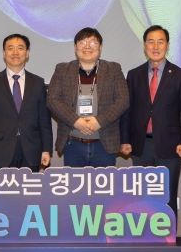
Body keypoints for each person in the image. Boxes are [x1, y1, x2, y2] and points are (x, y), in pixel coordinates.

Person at [120, 25, 181, 217]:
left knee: (167, 194)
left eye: (160, 42)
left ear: (167, 45)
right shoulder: (134, 75)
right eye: (151, 42)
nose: (155, 46)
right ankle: (144, 232)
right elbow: (127, 110)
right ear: (144, 46)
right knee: (142, 194)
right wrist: (125, 139)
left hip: (170, 145)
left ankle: (167, 233)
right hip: (141, 144)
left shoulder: (180, 76)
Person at [47, 27, 129, 167]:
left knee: (104, 182)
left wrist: (99, 121)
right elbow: (52, 100)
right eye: (82, 42)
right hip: (72, 143)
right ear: (75, 47)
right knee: (75, 181)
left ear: (100, 47)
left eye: (92, 42)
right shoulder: (62, 69)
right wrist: (75, 121)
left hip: (104, 144)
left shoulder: (113, 69)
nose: (87, 46)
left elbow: (123, 100)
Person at [0, 34, 52, 172]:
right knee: (2, 186)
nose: (15, 52)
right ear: (4, 53)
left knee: (30, 186)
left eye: (20, 48)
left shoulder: (37, 83)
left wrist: (46, 149)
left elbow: (44, 120)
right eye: (10, 48)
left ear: (27, 53)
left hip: (31, 150)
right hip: (0, 151)